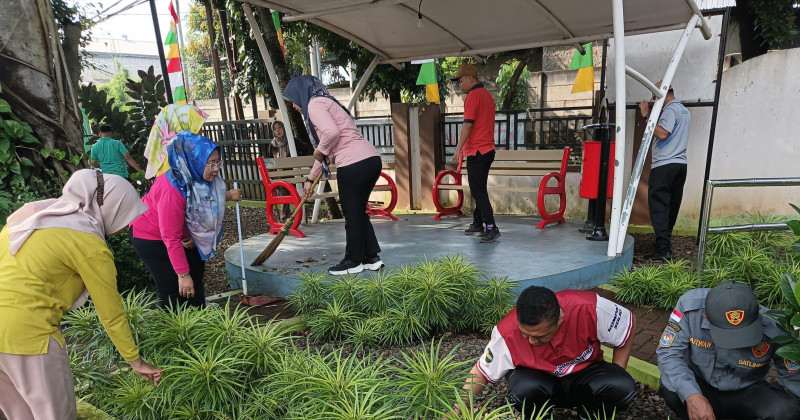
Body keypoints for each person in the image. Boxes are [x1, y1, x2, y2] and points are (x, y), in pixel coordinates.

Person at [0, 169, 162, 419]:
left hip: (11, 331)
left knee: (19, 414)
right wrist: (135, 360)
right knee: (55, 414)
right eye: (125, 215)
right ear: (110, 209)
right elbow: (111, 314)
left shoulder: (28, 218)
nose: (125, 226)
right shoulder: (88, 245)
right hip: (29, 336)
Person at [459, 286, 637, 417]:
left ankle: (591, 413)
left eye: (539, 336)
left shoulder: (590, 308)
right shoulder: (506, 332)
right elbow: (481, 372)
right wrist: (455, 411)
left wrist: (617, 370)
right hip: (540, 381)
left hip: (585, 375)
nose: (531, 341)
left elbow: (627, 325)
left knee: (621, 385)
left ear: (560, 318)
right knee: (522, 390)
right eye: (525, 334)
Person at [283, 75, 384, 276]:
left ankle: (353, 260)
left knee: (351, 211)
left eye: (294, 98)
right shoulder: (327, 102)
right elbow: (327, 151)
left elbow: (331, 134)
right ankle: (371, 257)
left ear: (302, 93)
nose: (294, 105)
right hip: (370, 160)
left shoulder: (314, 104)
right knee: (357, 211)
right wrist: (311, 179)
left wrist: (319, 152)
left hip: (353, 162)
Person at [657, 281, 800, 420]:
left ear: (757, 313)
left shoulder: (775, 325)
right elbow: (668, 354)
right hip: (701, 385)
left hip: (749, 390)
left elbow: (793, 374)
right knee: (671, 388)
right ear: (705, 316)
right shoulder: (690, 307)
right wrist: (692, 395)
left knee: (787, 411)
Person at [130, 132, 241, 308]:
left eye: (218, 162)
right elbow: (170, 237)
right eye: (210, 163)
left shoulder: (197, 175)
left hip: (180, 233)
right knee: (172, 286)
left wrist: (193, 234)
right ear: (194, 160)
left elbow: (204, 201)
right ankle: (174, 330)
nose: (216, 168)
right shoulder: (172, 190)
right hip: (151, 236)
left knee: (195, 275)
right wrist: (182, 275)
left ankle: (199, 318)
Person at [638, 82, 690, 260]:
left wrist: (646, 115)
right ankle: (664, 244)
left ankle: (663, 250)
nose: (653, 99)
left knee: (659, 206)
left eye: (654, 95)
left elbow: (662, 134)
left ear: (662, 93)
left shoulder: (670, 110)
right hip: (680, 165)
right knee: (671, 206)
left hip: (664, 165)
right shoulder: (684, 110)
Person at [450, 63, 500, 243]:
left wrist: (457, 150)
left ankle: (491, 226)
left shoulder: (472, 96)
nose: (459, 85)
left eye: (461, 80)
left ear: (471, 78)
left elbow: (468, 124)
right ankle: (478, 223)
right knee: (479, 188)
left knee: (478, 190)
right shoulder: (487, 96)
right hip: (487, 150)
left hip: (477, 151)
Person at [144, 104, 209, 179]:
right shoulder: (174, 155)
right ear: (181, 124)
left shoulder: (176, 150)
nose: (201, 130)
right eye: (197, 126)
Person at [265, 120, 292, 223]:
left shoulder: (292, 141)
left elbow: (305, 148)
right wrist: (273, 176)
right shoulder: (272, 145)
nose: (278, 130)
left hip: (293, 176)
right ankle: (284, 219)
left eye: (280, 127)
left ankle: (295, 217)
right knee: (283, 194)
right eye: (275, 128)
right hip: (280, 177)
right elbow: (269, 162)